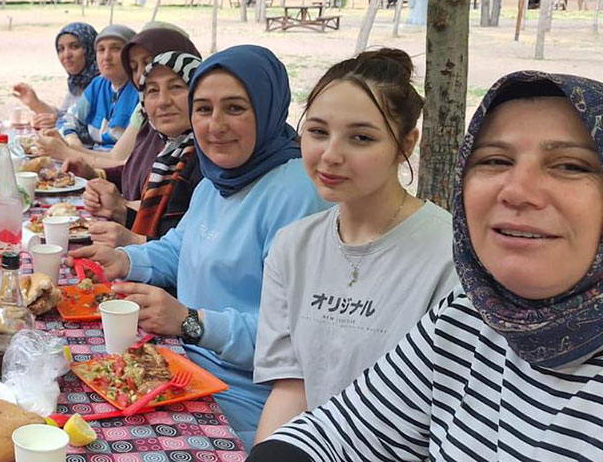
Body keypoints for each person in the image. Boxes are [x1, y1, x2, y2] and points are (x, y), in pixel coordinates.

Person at [251, 71, 603, 461]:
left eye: (571, 166)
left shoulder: (447, 264)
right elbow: (342, 430)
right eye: (495, 160)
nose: (518, 190)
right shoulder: (469, 316)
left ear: (406, 144)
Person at [70, 45, 330, 446]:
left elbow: (297, 339)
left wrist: (192, 321)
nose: (215, 125)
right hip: (178, 367)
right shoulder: (215, 182)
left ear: (268, 108)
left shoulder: (298, 195)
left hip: (243, 397)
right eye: (204, 109)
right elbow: (178, 249)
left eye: (235, 108)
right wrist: (122, 260)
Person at [251, 49, 457, 443]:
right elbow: (293, 388)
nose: (330, 155)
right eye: (317, 132)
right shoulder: (292, 247)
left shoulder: (449, 256)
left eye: (361, 138)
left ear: (406, 145)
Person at [80, 49, 205, 248]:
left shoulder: (207, 160)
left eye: (176, 87)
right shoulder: (168, 152)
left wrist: (133, 238)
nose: (163, 101)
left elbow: (195, 251)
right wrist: (120, 213)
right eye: (153, 91)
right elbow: (163, 231)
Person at [57, 24, 139, 150]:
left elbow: (128, 152)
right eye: (101, 50)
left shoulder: (140, 92)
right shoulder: (98, 85)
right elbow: (69, 118)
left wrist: (80, 154)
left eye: (116, 49)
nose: (106, 57)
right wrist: (71, 137)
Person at [12, 22, 97, 130]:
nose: (66, 55)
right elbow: (62, 115)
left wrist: (61, 122)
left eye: (74, 46)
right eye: (61, 49)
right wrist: (35, 103)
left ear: (90, 48)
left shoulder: (103, 85)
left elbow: (97, 132)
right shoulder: (77, 82)